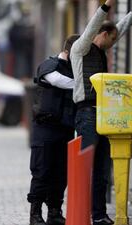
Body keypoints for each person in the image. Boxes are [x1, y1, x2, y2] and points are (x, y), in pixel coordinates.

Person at [70, 0, 132, 224]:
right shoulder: (81, 48)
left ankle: (99, 215)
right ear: (101, 34)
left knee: (102, 170)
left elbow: (119, 29)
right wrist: (106, 6)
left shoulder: (102, 49)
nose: (113, 44)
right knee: (87, 168)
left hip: (103, 115)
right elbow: (93, 26)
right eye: (110, 39)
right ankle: (82, 213)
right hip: (86, 114)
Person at [27, 34, 80, 225]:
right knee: (42, 172)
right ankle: (35, 214)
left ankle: (54, 212)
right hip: (45, 129)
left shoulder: (75, 69)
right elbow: (56, 80)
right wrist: (82, 85)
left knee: (60, 173)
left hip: (65, 129)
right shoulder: (49, 66)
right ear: (70, 51)